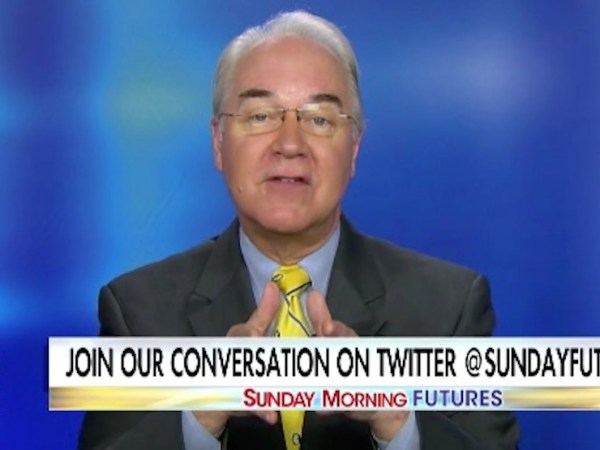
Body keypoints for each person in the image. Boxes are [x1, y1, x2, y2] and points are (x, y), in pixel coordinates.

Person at [79, 10, 519, 450]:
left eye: (320, 119)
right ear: (218, 142)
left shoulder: (449, 309)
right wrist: (200, 414)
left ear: (354, 148)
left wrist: (398, 422)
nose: (290, 144)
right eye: (259, 116)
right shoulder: (138, 314)